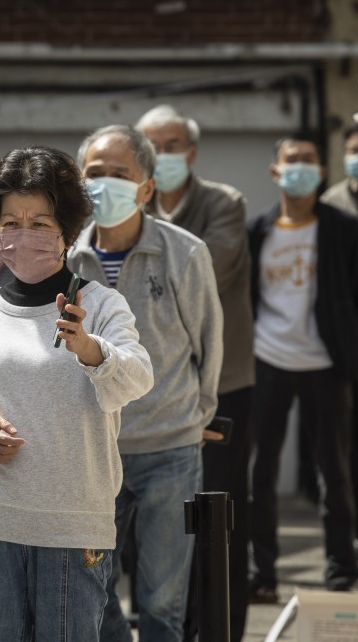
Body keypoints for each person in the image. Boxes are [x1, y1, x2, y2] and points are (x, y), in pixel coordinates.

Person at [0, 145, 154, 642]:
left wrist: (89, 348)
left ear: (67, 231)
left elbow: (137, 377)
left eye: (41, 224)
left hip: (74, 530)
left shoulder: (102, 303)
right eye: (12, 221)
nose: (25, 235)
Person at [68, 125, 223, 642]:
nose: (105, 185)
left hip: (168, 451)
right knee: (93, 587)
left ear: (146, 188)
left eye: (120, 175)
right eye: (95, 174)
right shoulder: (64, 257)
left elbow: (208, 343)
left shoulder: (186, 253)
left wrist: (196, 416)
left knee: (162, 600)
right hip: (92, 449)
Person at [134, 104, 254, 642]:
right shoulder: (125, 214)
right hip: (148, 399)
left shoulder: (223, 204)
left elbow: (211, 266)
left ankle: (223, 630)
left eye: (173, 144)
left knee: (222, 518)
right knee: (159, 533)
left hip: (221, 385)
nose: (164, 155)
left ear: (193, 151)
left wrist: (148, 235)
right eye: (152, 145)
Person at [246, 132, 358, 602]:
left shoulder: (340, 226)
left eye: (310, 160)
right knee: (261, 472)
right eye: (292, 160)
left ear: (321, 170)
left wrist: (347, 346)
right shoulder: (258, 230)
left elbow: (357, 294)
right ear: (276, 172)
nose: (301, 168)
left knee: (332, 469)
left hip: (323, 362)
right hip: (268, 359)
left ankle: (342, 568)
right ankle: (264, 573)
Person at [320, 121, 358, 562]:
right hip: (346, 343)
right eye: (354, 150)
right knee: (347, 444)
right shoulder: (330, 207)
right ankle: (357, 536)